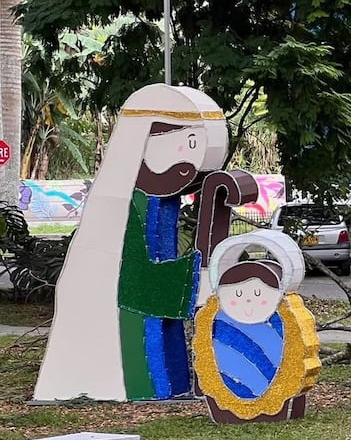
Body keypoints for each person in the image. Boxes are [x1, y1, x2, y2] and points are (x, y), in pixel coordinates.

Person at [34, 84, 227, 402]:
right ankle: (140, 387)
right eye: (186, 147)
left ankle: (170, 386)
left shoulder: (153, 204)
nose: (187, 173)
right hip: (118, 323)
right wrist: (192, 278)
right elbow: (137, 286)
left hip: (136, 301)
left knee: (163, 338)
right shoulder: (124, 211)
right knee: (148, 344)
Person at [192, 229, 320, 423]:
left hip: (276, 382)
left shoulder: (283, 317)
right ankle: (226, 410)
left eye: (258, 294)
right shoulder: (217, 318)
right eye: (238, 294)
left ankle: (276, 408)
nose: (248, 301)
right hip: (226, 380)